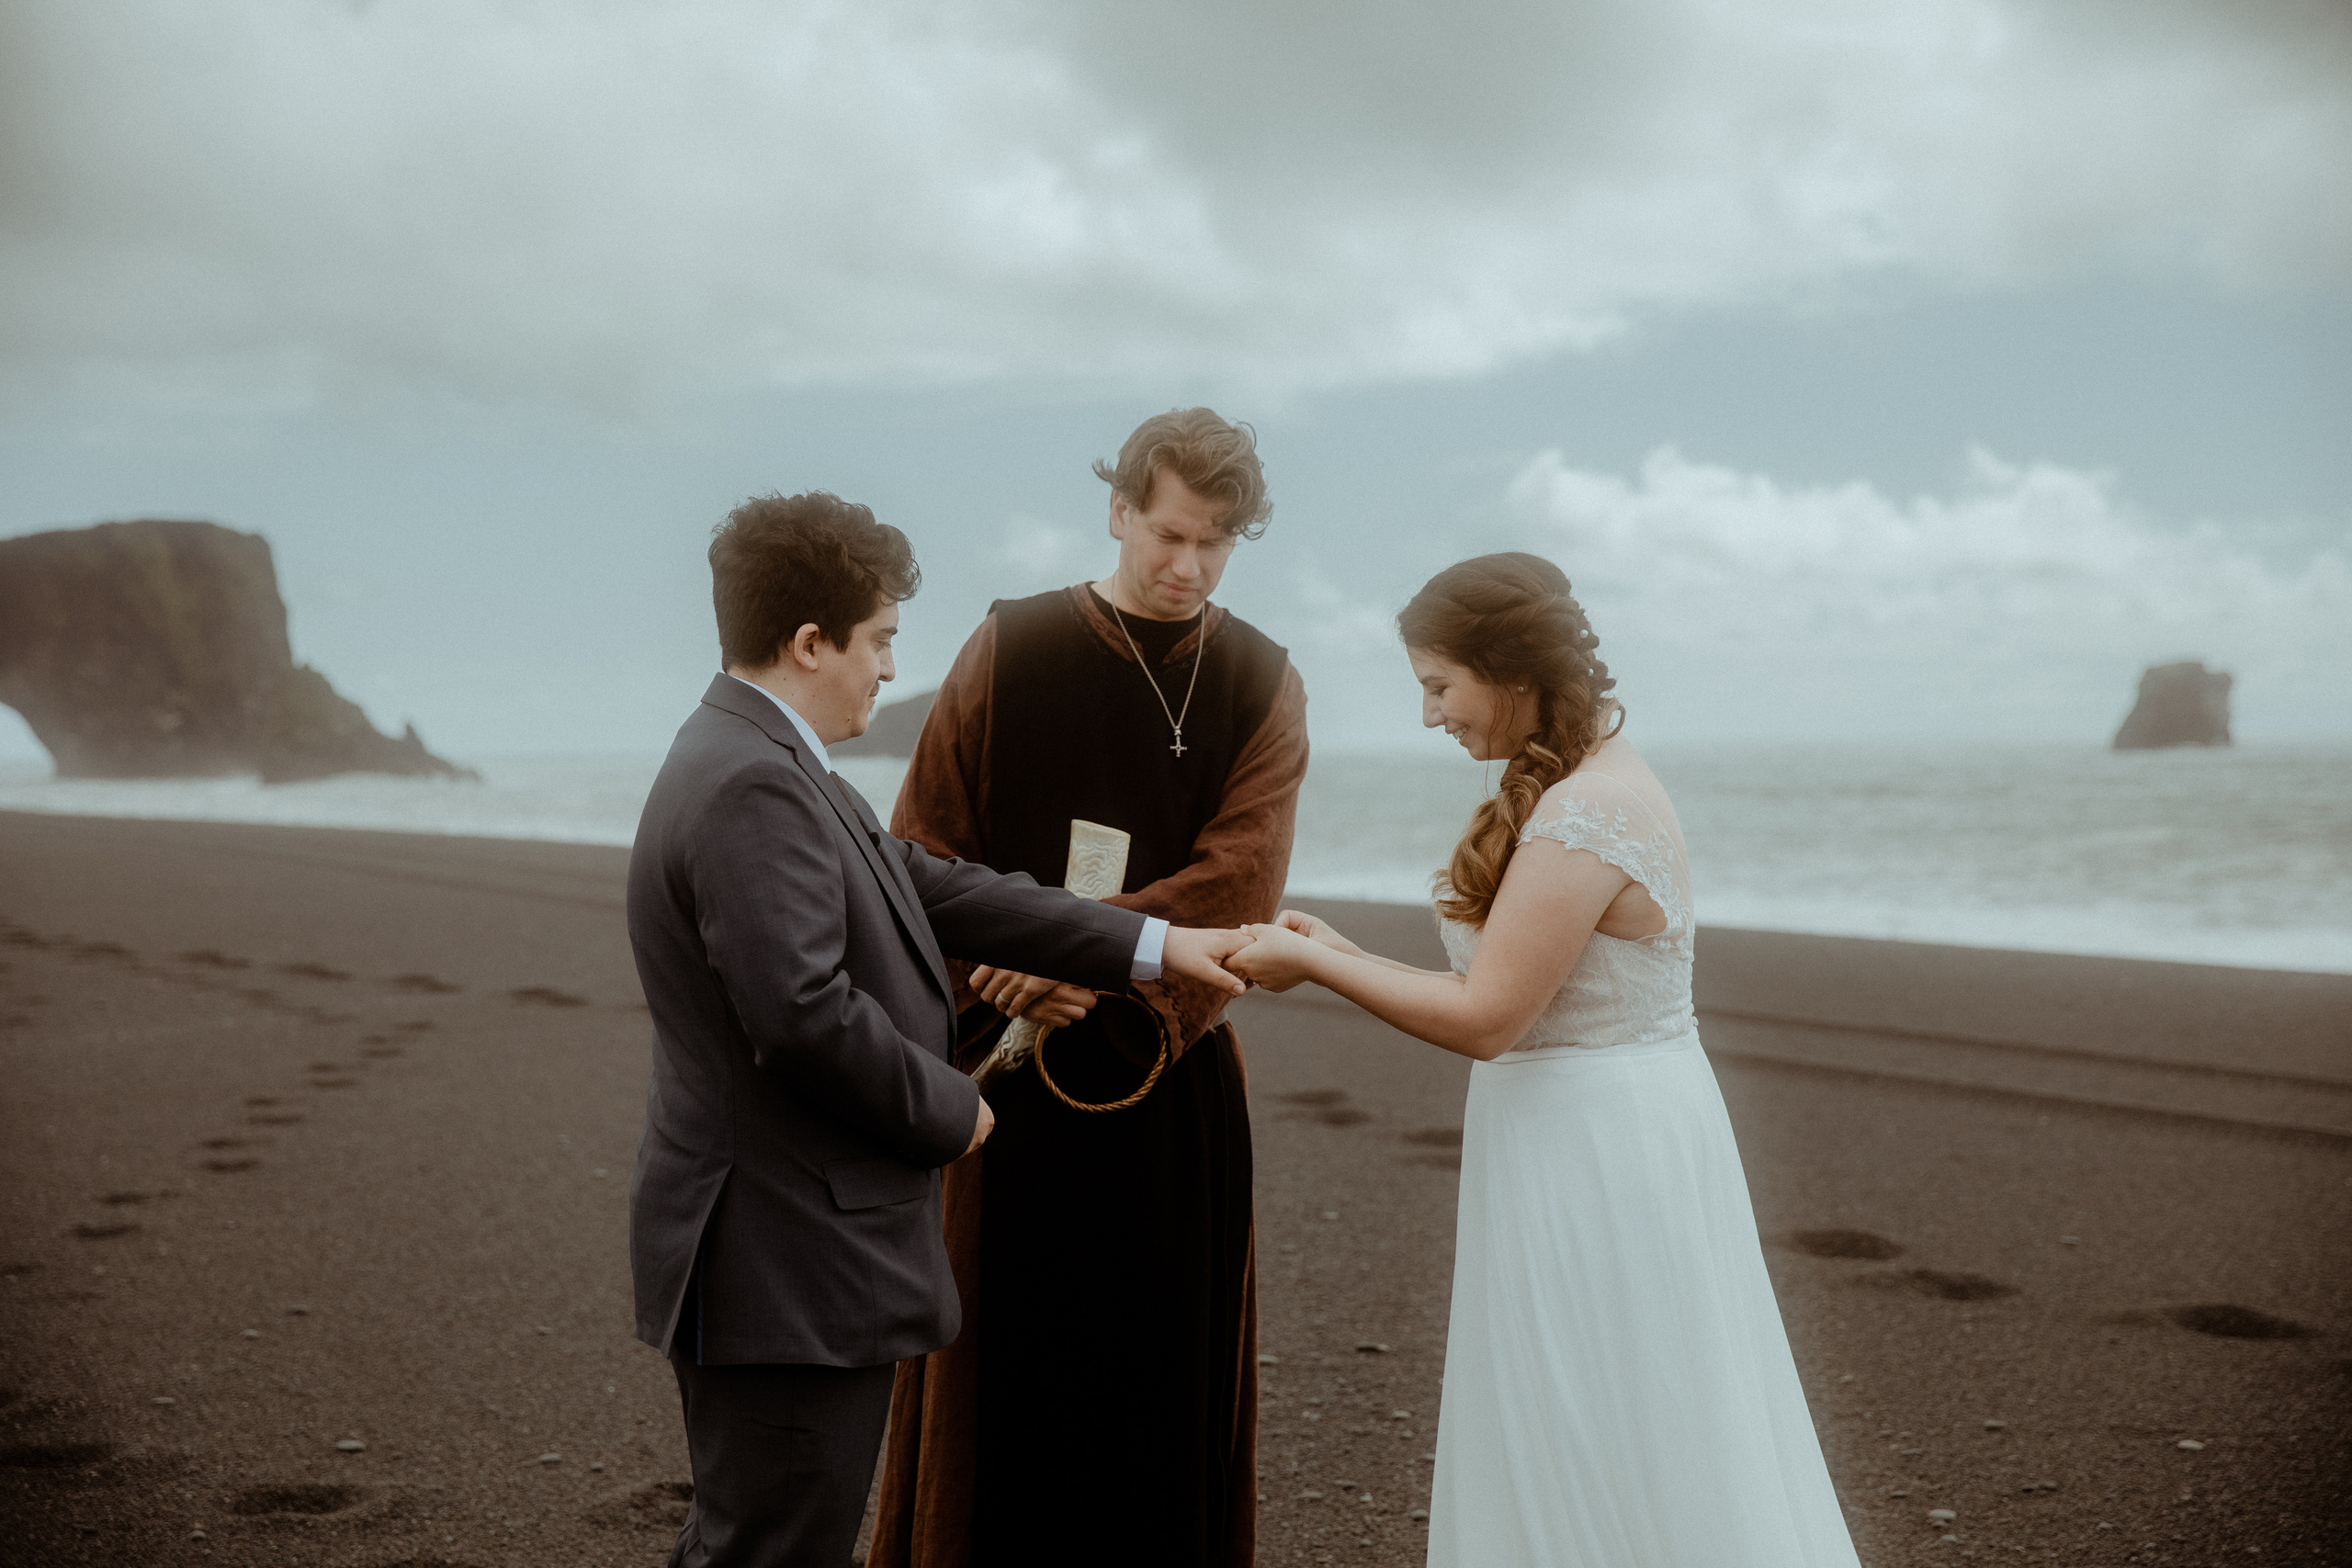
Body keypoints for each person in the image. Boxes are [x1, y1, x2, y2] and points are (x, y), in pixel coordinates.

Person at [625, 491, 1251, 1568]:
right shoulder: (752, 786)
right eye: (879, 643)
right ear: (810, 642)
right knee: (772, 1546)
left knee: (754, 1538)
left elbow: (926, 881)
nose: (886, 670)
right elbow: (801, 1016)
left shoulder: (761, 756)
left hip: (779, 1250)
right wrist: (949, 1106)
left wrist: (1150, 948)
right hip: (782, 1259)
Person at [1226, 553, 1861, 1567]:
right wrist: (1345, 952)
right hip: (1581, 1128)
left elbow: (1489, 1019)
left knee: (1613, 1413)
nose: (1430, 716)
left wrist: (1312, 966)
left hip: (1598, 1152)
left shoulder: (1587, 809)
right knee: (1594, 1408)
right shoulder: (1583, 783)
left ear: (1509, 672)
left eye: (1438, 686)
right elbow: (1524, 988)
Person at [870, 410, 1308, 1568]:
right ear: (1118, 510)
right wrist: (1008, 976)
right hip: (1005, 1086)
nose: (1188, 567)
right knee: (1003, 1399)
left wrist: (1076, 950)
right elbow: (922, 846)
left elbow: (1242, 879)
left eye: (1216, 544)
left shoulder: (1263, 679)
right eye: (1169, 534)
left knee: (1160, 1404)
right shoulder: (1010, 647)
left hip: (1170, 1096)